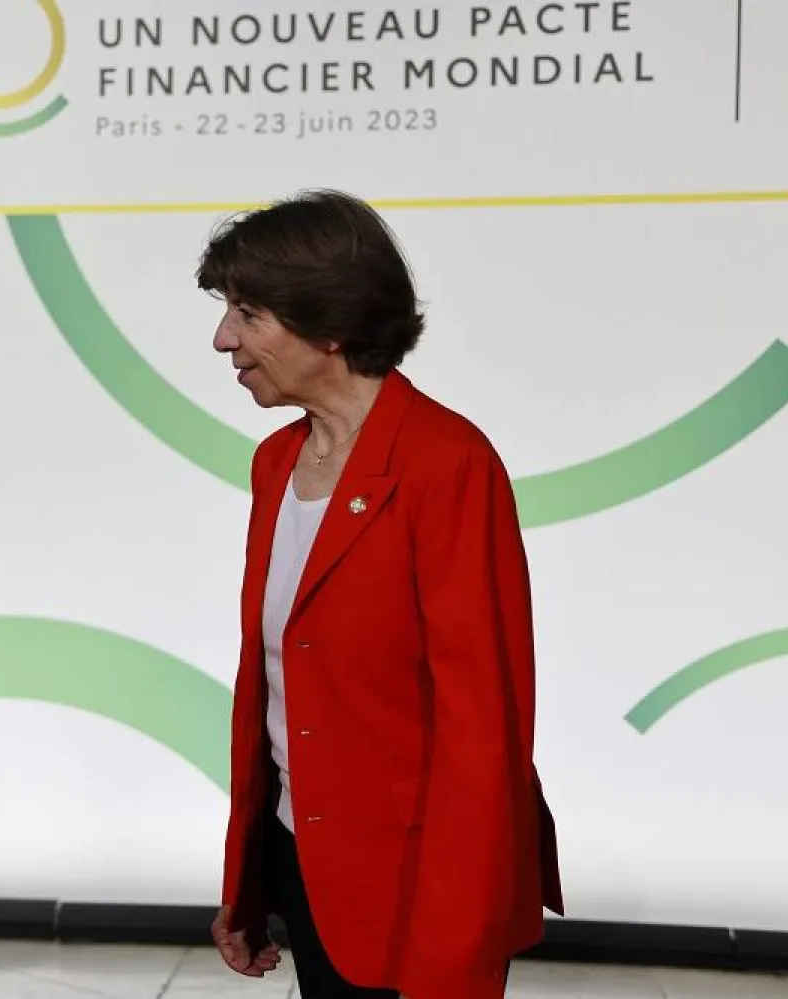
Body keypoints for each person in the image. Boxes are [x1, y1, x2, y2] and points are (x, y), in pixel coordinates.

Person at [201, 191, 563, 998]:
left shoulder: (447, 463)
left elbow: (482, 730)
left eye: (248, 314)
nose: (224, 338)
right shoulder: (274, 464)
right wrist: (251, 877)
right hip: (306, 864)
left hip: (420, 881)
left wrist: (455, 954)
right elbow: (276, 685)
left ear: (330, 324)